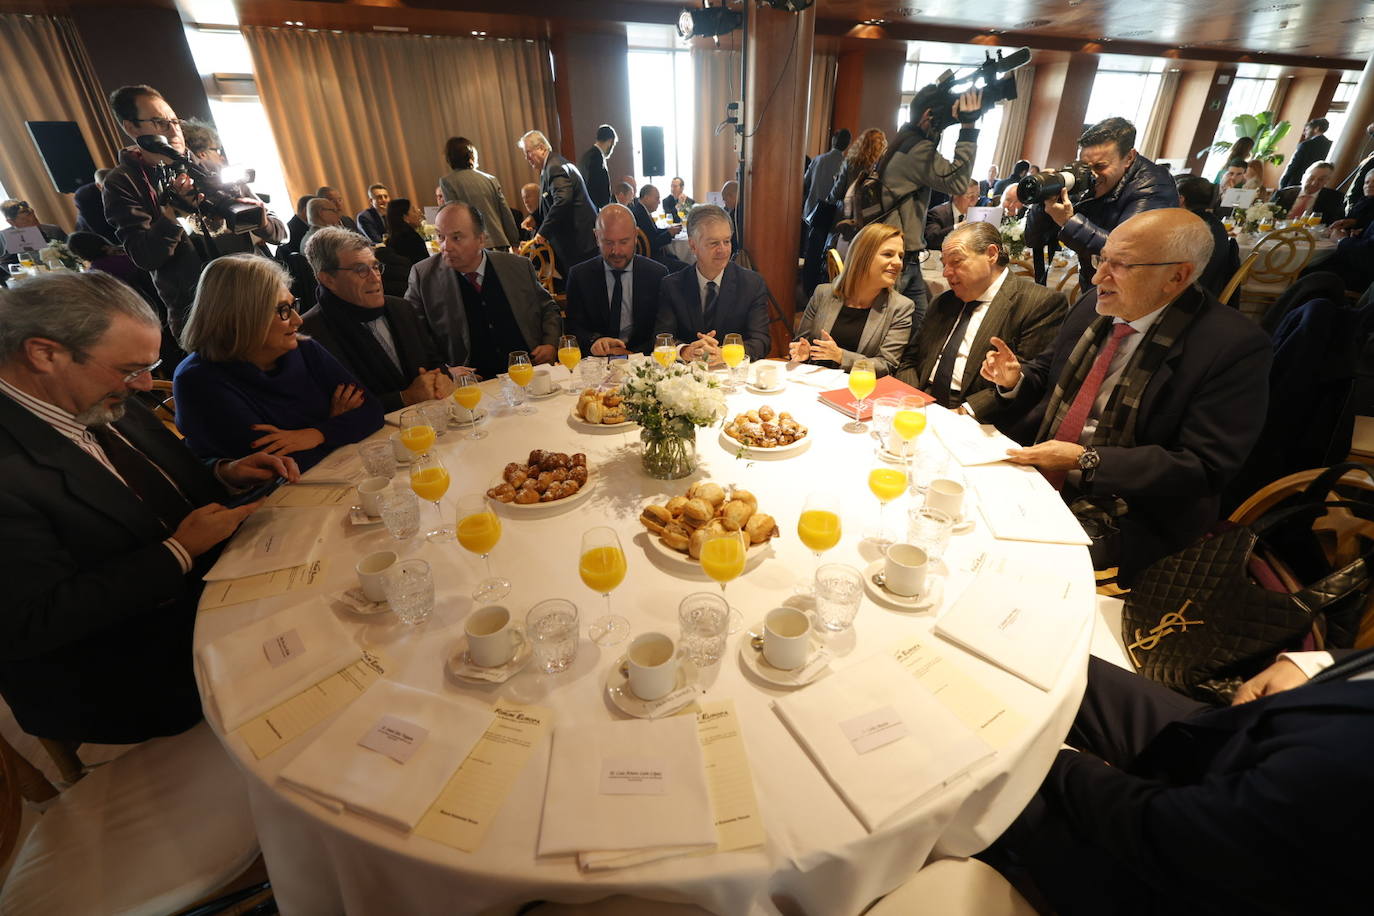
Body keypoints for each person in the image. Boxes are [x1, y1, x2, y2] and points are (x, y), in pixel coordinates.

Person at [0, 270, 297, 743]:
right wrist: (177, 551)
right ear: (44, 354)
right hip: (123, 667)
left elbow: (143, 480)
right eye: (129, 369)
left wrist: (223, 472)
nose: (144, 384)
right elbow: (29, 623)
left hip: (212, 588)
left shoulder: (96, 388)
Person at [981, 208, 1270, 582]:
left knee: (1014, 572)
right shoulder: (1094, 305)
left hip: (1130, 513)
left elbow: (1204, 466)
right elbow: (1048, 370)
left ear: (1177, 276)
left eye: (1122, 265)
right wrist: (1014, 379)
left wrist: (1087, 461)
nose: (1099, 276)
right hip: (1040, 477)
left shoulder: (1232, 347)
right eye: (1103, 258)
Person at [982, 648, 1374, 916]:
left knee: (986, 759)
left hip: (1188, 872)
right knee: (1052, 662)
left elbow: (1171, 831)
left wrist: (1062, 760)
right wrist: (1316, 664)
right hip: (1231, 736)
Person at [173, 254, 383, 472]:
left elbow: (372, 411)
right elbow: (281, 467)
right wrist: (336, 424)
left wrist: (318, 433)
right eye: (283, 310)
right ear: (244, 317)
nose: (297, 320)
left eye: (294, 305)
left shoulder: (303, 348)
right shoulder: (198, 380)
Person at [102, 84, 275, 336]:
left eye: (174, 120)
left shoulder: (211, 169)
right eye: (159, 122)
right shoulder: (123, 182)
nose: (173, 130)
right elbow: (145, 257)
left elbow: (279, 232)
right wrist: (171, 215)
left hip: (258, 296)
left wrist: (262, 224)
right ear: (132, 128)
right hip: (202, 316)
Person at [897, 220, 1067, 412]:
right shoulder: (943, 302)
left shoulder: (1038, 303)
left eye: (956, 261)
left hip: (975, 414)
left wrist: (964, 412)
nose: (945, 273)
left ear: (991, 254)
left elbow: (1028, 383)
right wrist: (911, 399)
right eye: (944, 264)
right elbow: (910, 359)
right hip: (920, 401)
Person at [301, 227, 452, 412]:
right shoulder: (309, 334)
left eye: (375, 267)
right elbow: (329, 409)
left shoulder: (401, 308)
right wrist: (404, 398)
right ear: (327, 279)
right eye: (360, 270)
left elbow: (434, 360)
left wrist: (443, 377)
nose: (375, 279)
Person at [406, 202, 562, 378]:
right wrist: (446, 370)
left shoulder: (517, 266)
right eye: (441, 236)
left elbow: (548, 308)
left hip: (528, 373)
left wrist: (550, 344)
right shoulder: (424, 276)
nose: (445, 246)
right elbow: (413, 335)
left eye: (456, 238)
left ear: (481, 239)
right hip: (470, 384)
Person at [879, 82, 986, 327]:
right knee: (897, 327)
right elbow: (958, 182)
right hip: (901, 259)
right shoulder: (916, 149)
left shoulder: (904, 141)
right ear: (929, 115)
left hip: (906, 256)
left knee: (920, 327)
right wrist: (968, 128)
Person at [1033, 117, 1179, 292]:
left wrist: (1068, 222)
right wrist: (1044, 198)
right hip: (1095, 282)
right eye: (1085, 166)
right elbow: (1033, 239)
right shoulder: (1087, 179)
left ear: (1129, 158)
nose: (1092, 175)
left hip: (1133, 292)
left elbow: (1127, 252)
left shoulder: (1153, 186)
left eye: (1100, 166)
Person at [789, 222, 913, 376]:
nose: (898, 263)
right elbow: (801, 342)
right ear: (863, 256)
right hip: (816, 381)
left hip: (860, 390)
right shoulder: (823, 294)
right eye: (888, 254)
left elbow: (886, 365)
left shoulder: (900, 307)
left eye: (900, 256)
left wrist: (841, 356)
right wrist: (803, 352)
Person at [655, 204, 771, 363]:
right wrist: (685, 351)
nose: (723, 250)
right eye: (713, 243)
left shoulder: (751, 284)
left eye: (727, 241)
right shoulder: (672, 285)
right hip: (688, 377)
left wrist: (725, 354)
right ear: (693, 246)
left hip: (732, 375)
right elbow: (663, 338)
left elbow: (761, 341)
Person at [563, 204, 668, 356]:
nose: (616, 251)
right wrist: (595, 342)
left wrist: (632, 354)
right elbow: (573, 327)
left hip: (642, 359)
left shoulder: (657, 274)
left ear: (635, 235)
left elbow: (662, 329)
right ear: (596, 237)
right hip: (597, 362)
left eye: (624, 242)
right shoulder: (580, 275)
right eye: (608, 242)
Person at [519, 129, 598, 280]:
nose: (527, 158)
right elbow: (549, 200)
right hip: (578, 241)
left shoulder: (554, 167)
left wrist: (543, 232)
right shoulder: (551, 165)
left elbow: (562, 201)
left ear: (542, 148)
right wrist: (534, 217)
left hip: (579, 243)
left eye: (528, 152)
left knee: (585, 288)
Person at [439, 136, 521, 251]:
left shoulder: (448, 181)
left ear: (449, 158)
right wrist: (515, 241)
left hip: (473, 245)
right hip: (499, 241)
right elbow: (505, 213)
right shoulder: (490, 179)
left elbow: (454, 216)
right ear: (472, 155)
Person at [1174, 175, 1240, 300]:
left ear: (1180, 199)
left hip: (1186, 298)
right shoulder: (1216, 224)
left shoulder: (1187, 227)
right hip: (1209, 292)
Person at [802, 129, 851, 228]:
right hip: (830, 217)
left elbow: (804, 183)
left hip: (810, 212)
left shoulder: (817, 160)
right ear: (848, 145)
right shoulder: (847, 165)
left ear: (833, 140)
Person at [630, 184, 686, 270]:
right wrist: (669, 234)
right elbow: (652, 244)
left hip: (653, 255)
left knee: (678, 260)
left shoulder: (641, 210)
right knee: (686, 268)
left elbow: (653, 232)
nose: (659, 202)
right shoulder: (639, 214)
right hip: (651, 259)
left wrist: (668, 230)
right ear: (646, 197)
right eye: (657, 198)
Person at [1271, 161, 1345, 224]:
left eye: (1321, 180)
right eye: (1311, 178)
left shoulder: (1335, 199)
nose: (1314, 183)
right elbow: (1268, 217)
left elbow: (1332, 224)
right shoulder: (1282, 194)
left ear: (1327, 181)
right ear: (1303, 177)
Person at [0, 199, 67, 262]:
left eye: (34, 218)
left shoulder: (54, 230)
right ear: (11, 222)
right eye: (26, 220)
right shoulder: (4, 238)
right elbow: (5, 264)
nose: (33, 222)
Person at [924, 180, 981, 250]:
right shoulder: (937, 213)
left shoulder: (977, 215)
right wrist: (959, 226)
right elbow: (931, 240)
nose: (974, 200)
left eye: (977, 196)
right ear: (955, 195)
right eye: (970, 196)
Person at [1278, 117, 1331, 190]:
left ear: (1316, 129)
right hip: (1316, 185)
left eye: (1307, 129)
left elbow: (1294, 165)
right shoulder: (1330, 145)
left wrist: (1283, 182)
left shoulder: (1306, 145)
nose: (1304, 132)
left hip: (1295, 183)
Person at [578, 124, 617, 210]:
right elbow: (593, 188)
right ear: (610, 141)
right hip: (594, 210)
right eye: (613, 145)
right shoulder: (596, 158)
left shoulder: (587, 156)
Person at [73, 168, 116, 242]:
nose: (113, 189)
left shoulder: (121, 183)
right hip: (91, 236)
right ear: (98, 186)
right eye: (108, 187)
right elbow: (100, 229)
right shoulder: (85, 196)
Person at [383, 198, 430, 266]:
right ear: (405, 218)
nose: (419, 213)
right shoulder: (411, 239)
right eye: (414, 210)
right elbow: (426, 265)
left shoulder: (391, 239)